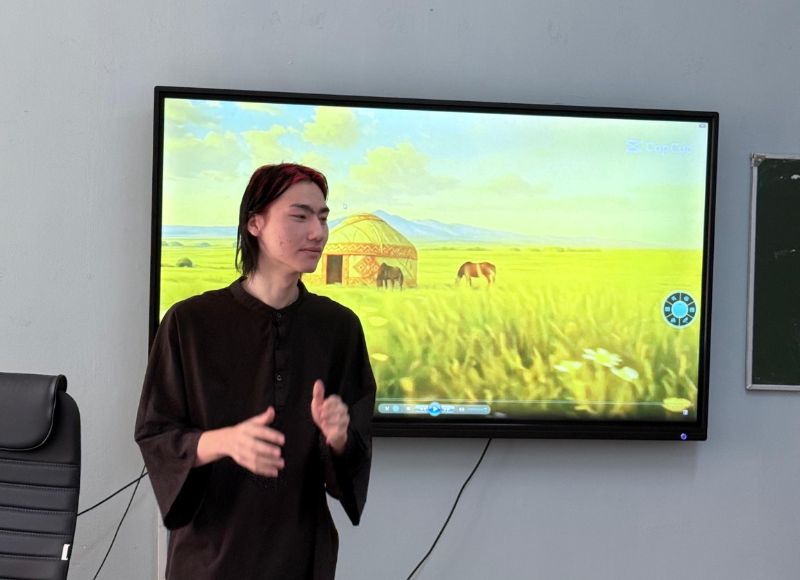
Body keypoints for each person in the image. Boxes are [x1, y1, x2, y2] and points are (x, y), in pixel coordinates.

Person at [135, 163, 376, 579]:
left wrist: (338, 438)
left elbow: (351, 465)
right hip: (209, 558)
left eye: (322, 218)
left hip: (303, 556)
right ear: (255, 224)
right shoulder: (189, 323)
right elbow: (156, 434)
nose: (317, 232)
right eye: (300, 216)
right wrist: (223, 441)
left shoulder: (339, 328)